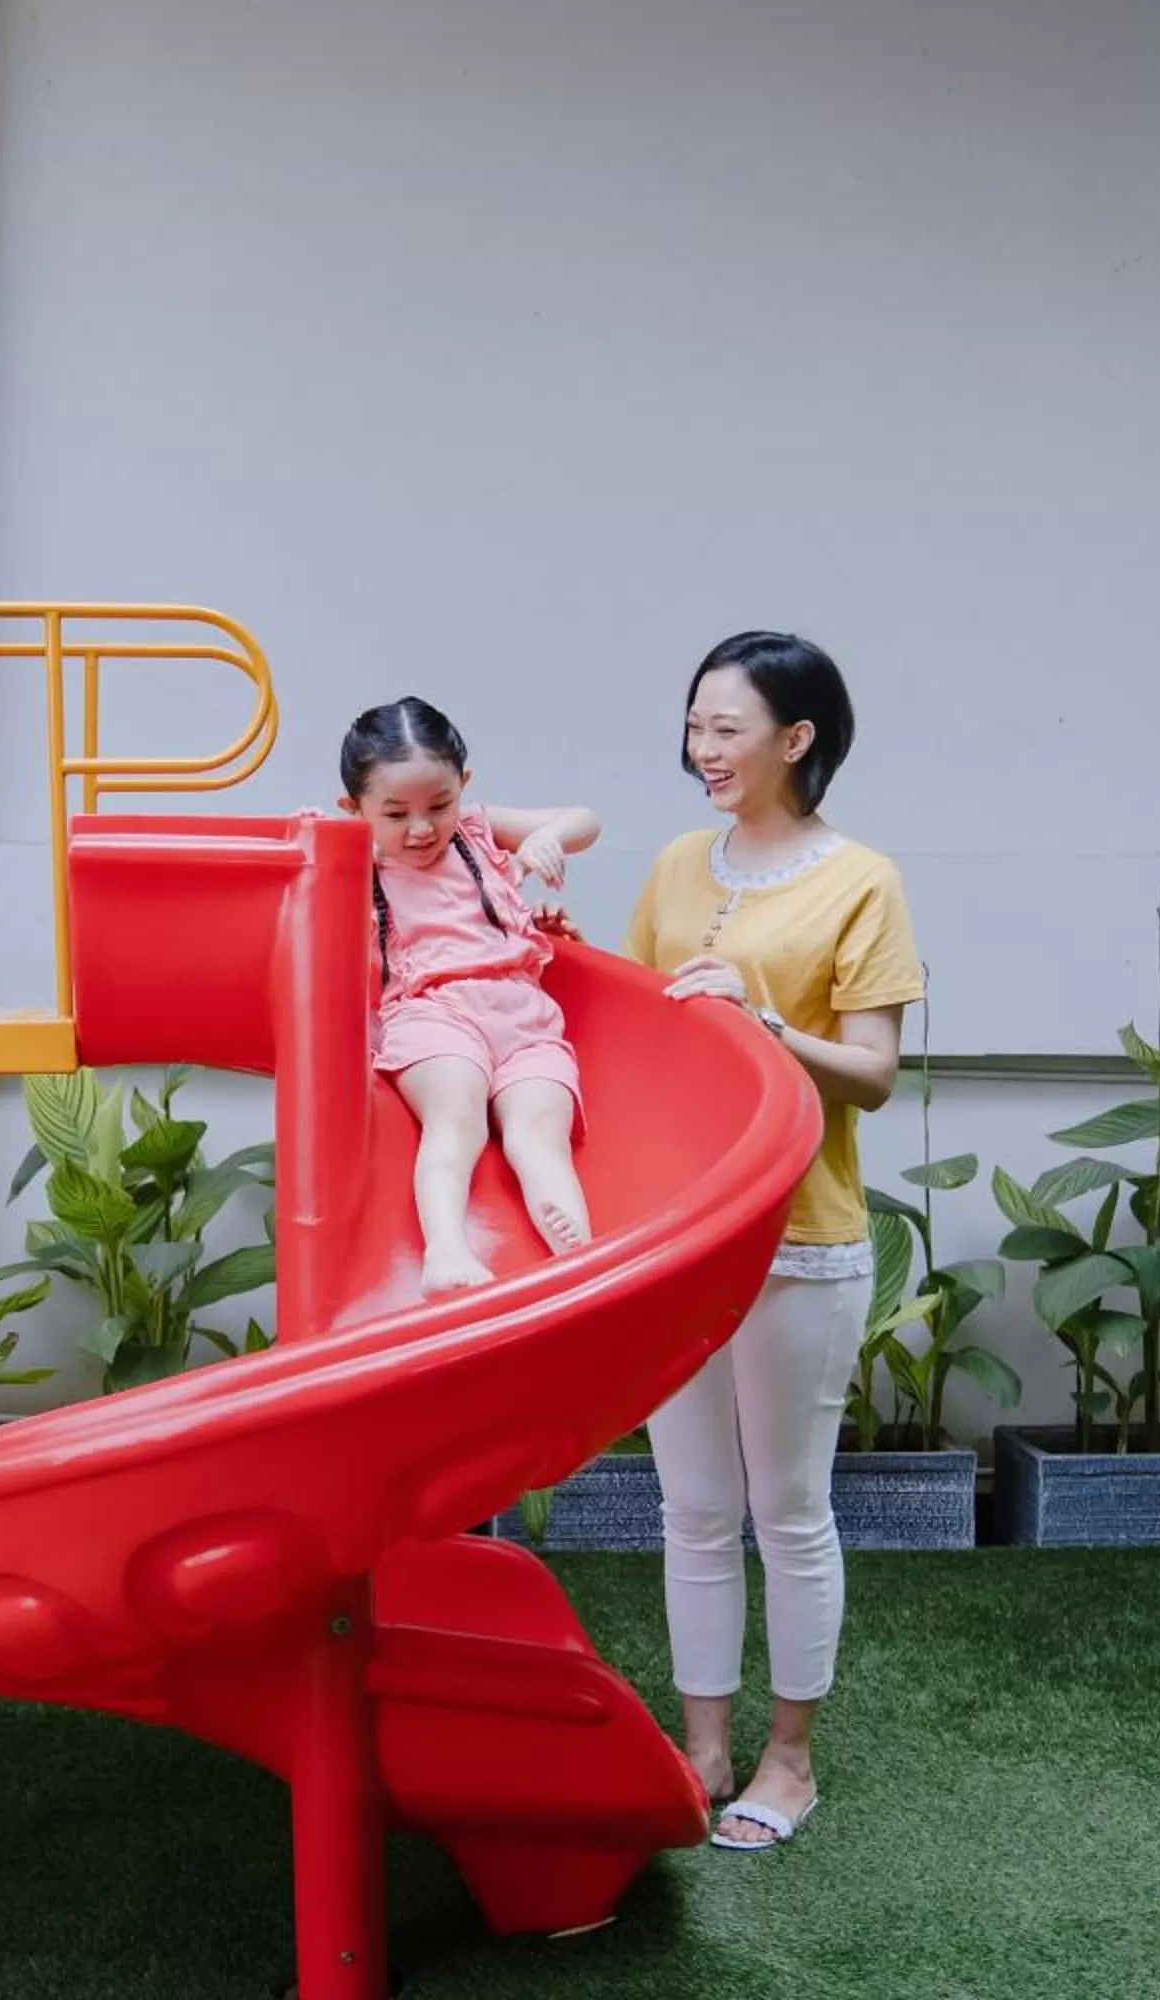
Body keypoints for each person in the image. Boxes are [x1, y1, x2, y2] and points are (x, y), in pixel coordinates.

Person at [620, 631, 922, 1853]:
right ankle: (702, 1746)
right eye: (695, 724)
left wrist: (764, 1023)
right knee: (692, 1506)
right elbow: (635, 1030)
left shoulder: (864, 880)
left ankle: (788, 1758)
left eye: (727, 728)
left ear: (796, 738)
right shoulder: (673, 865)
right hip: (680, 1236)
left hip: (801, 1237)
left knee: (788, 1507)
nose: (703, 748)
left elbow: (876, 1073)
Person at [337, 697, 602, 1295]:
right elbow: (291, 859)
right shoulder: (356, 860)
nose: (421, 827)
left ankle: (577, 1255)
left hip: (524, 1016)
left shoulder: (477, 832)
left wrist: (546, 839)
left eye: (440, 804)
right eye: (395, 813)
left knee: (540, 1132)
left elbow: (585, 820)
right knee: (456, 1116)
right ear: (354, 810)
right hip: (434, 1012)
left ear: (464, 786)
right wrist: (341, 842)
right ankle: (447, 1251)